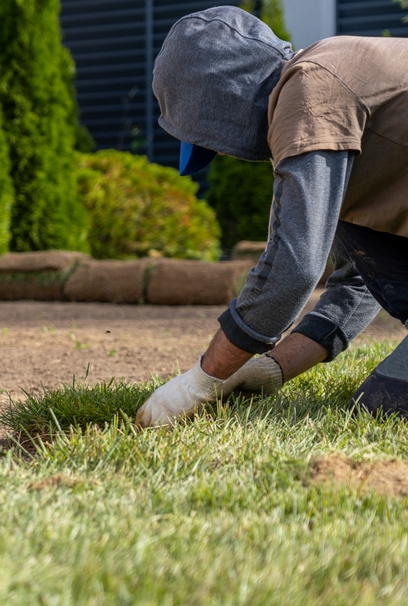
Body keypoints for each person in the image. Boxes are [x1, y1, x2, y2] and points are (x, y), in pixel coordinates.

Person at [136, 6, 408, 427]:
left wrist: (201, 381)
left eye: (214, 139)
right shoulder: (336, 83)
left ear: (227, 101)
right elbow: (361, 279)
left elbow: (294, 269)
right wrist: (274, 368)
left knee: (383, 407)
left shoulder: (312, 89)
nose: (223, 152)